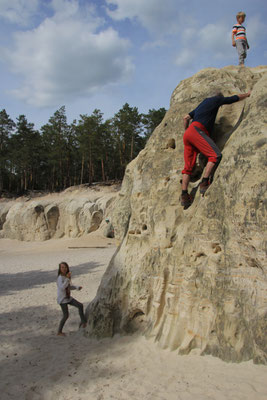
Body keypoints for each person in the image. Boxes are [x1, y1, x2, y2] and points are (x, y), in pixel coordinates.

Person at [181, 91, 251, 207]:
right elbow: (232, 99)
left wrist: (187, 131)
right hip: (198, 130)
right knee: (215, 155)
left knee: (188, 168)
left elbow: (185, 118)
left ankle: (184, 195)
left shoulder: (202, 104)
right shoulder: (216, 100)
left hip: (188, 133)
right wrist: (247, 94)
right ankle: (204, 182)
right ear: (218, 98)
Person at [57, 261, 87, 336]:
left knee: (80, 305)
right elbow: (62, 288)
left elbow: (69, 287)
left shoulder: (66, 276)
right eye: (62, 267)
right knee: (66, 316)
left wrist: (77, 287)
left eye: (65, 267)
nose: (64, 269)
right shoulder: (60, 278)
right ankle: (59, 332)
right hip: (62, 299)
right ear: (60, 269)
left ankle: (83, 322)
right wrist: (67, 279)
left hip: (67, 297)